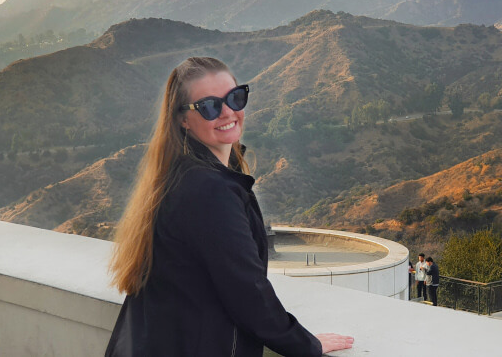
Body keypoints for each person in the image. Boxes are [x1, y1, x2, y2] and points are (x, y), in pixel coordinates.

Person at [106, 57, 353, 356]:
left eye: (235, 98)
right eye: (210, 106)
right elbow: (247, 290)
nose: (228, 112)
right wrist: (306, 344)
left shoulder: (179, 175)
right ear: (183, 118)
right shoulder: (208, 190)